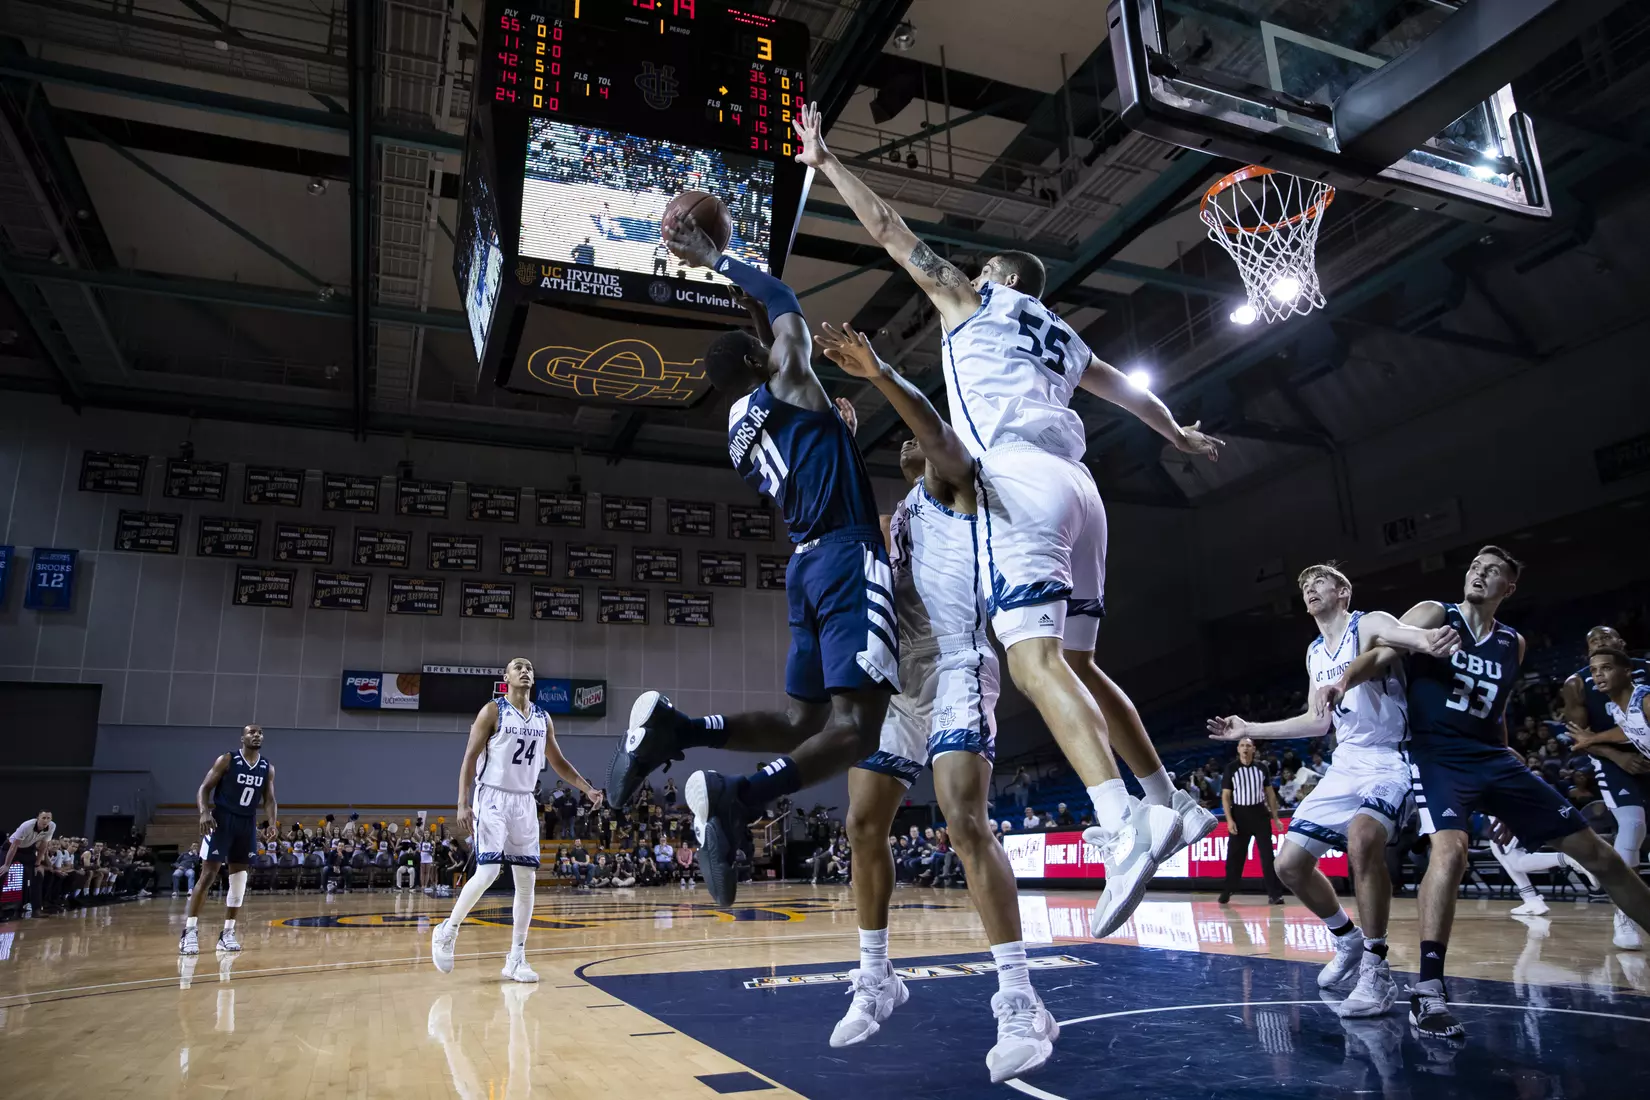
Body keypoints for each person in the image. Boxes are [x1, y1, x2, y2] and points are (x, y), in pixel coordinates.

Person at [792, 101, 1221, 940]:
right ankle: (1170, 801)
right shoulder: (1062, 333)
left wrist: (828, 162)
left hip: (1018, 482)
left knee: (1031, 663)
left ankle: (1118, 824)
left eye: (985, 268)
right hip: (1082, 489)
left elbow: (886, 228)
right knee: (1084, 668)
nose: (972, 273)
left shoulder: (975, 301)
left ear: (1002, 278)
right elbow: (1130, 393)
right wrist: (1178, 433)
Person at [608, 207, 897, 909]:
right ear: (760, 358)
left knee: (803, 723)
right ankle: (741, 796)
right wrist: (717, 261)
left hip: (802, 568)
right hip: (844, 554)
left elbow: (806, 436)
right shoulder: (789, 381)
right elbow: (785, 305)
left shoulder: (738, 431)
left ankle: (681, 731)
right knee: (858, 729)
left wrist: (834, 423)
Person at [807, 326, 1058, 1083]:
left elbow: (935, 435)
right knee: (860, 821)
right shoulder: (900, 518)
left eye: (918, 435)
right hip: (902, 678)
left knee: (962, 819)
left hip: (958, 663)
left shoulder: (958, 483)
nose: (909, 448)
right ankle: (877, 977)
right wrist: (842, 441)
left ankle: (1018, 998)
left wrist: (879, 373)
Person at [1317, 547, 1650, 1040]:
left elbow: (1496, 711)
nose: (1479, 574)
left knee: (1597, 854)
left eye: (1492, 572)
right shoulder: (1435, 614)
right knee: (1450, 852)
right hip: (1434, 756)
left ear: (1507, 589)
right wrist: (1343, 681)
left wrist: (1507, 780)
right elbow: (1381, 654)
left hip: (1491, 758)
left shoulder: (1512, 643)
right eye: (1475, 566)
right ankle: (1427, 991)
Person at [1207, 563, 1464, 1017]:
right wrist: (1251, 729)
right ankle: (1346, 940)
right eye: (1304, 585)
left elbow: (1406, 634)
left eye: (1319, 581)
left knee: (1364, 840)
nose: (1309, 589)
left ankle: (1376, 968)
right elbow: (1317, 721)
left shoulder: (1369, 622)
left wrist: (1428, 641)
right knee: (1288, 865)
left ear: (1343, 591)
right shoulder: (1313, 652)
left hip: (1390, 758)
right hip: (1345, 763)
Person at [430, 656, 604, 983]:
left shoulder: (542, 718)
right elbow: (469, 758)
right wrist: (462, 803)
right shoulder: (492, 711)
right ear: (506, 677)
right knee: (490, 870)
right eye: (518, 667)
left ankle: (516, 957)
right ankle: (446, 930)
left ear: (533, 679)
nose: (524, 671)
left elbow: (559, 762)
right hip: (492, 796)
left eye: (529, 668)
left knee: (527, 881)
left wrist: (588, 790)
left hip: (524, 801)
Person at [1561, 628, 1650, 950]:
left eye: (1606, 639)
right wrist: (1616, 756)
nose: (1599, 644)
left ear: (1621, 647)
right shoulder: (1577, 684)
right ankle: (1625, 912)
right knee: (1632, 824)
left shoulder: (1643, 674)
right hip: (1613, 764)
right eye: (1592, 644)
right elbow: (1579, 735)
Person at [181, 725, 278, 955]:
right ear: (242, 738)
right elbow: (204, 788)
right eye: (252, 732)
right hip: (221, 820)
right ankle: (190, 931)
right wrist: (204, 812)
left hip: (247, 823)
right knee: (208, 875)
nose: (257, 735)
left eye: (260, 732)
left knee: (239, 880)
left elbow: (270, 799)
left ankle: (227, 933)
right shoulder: (227, 759)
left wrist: (272, 823)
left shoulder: (267, 767)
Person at [1218, 737, 1286, 907]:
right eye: (1242, 745)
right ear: (1238, 749)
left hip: (1259, 814)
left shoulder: (1262, 768)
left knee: (1267, 856)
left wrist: (1275, 817)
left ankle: (1274, 894)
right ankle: (1228, 889)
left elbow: (1270, 794)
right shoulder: (1231, 768)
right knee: (1235, 856)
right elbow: (1226, 796)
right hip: (1239, 814)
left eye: (1248, 745)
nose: (1245, 748)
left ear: (1254, 749)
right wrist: (1229, 819)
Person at [4, 810, 56, 916]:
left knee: (37, 875)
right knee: (2, 873)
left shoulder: (51, 826)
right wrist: (6, 865)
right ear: (37, 818)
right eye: (43, 818)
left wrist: (37, 863)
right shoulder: (27, 826)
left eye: (48, 818)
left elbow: (43, 846)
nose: (46, 820)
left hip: (27, 850)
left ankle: (36, 910)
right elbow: (14, 846)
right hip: (10, 848)